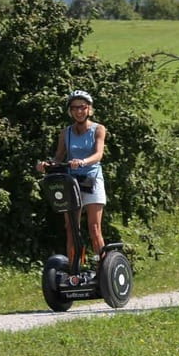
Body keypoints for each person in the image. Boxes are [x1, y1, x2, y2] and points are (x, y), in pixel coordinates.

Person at [37, 90, 108, 263]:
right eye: (75, 108)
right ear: (70, 111)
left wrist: (83, 162)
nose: (79, 111)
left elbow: (99, 154)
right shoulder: (65, 133)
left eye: (82, 107)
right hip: (72, 182)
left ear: (89, 109)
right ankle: (75, 267)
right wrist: (46, 164)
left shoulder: (98, 129)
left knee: (94, 227)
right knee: (71, 228)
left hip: (92, 179)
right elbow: (59, 157)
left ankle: (103, 266)